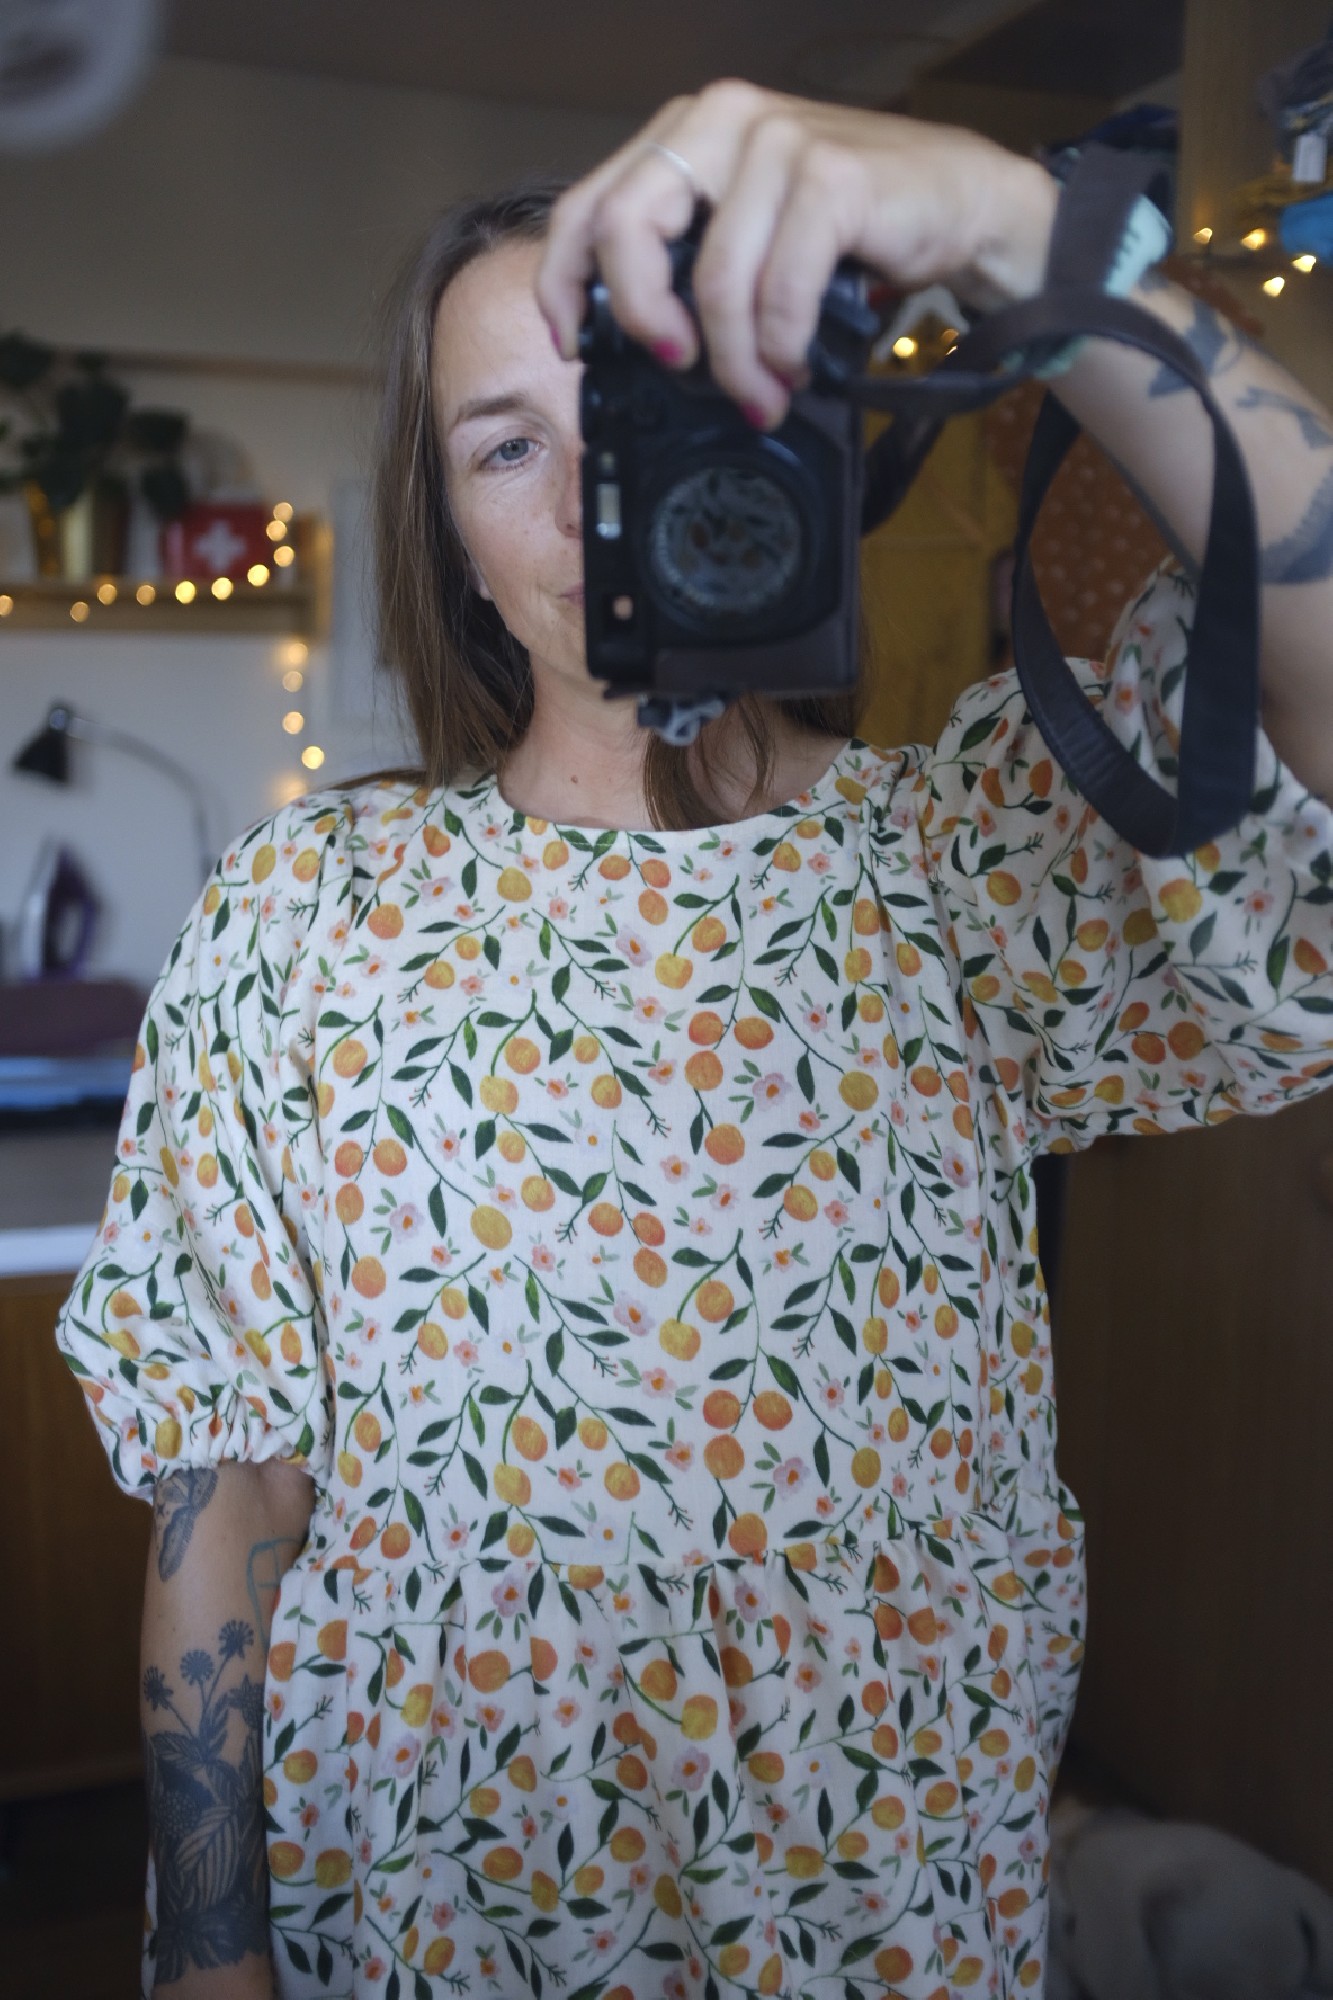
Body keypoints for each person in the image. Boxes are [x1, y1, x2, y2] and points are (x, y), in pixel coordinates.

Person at [56, 79, 1333, 2000]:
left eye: (642, 412)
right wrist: (208, 1958)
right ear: (451, 530)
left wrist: (1018, 231)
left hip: (876, 1901)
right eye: (507, 444)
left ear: (774, 432)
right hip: (426, 1902)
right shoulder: (306, 907)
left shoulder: (959, 859)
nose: (589, 499)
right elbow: (225, 1482)